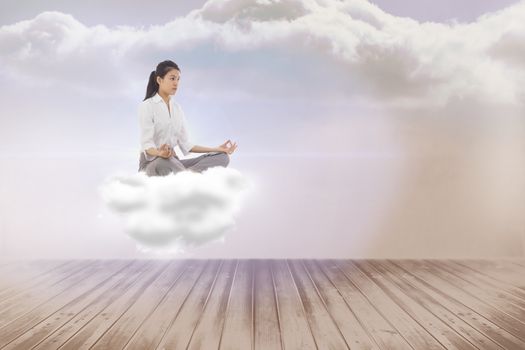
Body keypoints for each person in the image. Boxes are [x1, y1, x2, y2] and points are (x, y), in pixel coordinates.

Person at [138, 60, 237, 176]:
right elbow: (147, 145)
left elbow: (186, 144)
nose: (176, 83)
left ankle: (185, 177)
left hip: (174, 163)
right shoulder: (147, 106)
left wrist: (218, 149)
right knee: (163, 162)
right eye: (172, 78)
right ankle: (186, 177)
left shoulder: (177, 108)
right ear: (159, 80)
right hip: (154, 163)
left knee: (222, 158)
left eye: (178, 79)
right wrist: (160, 153)